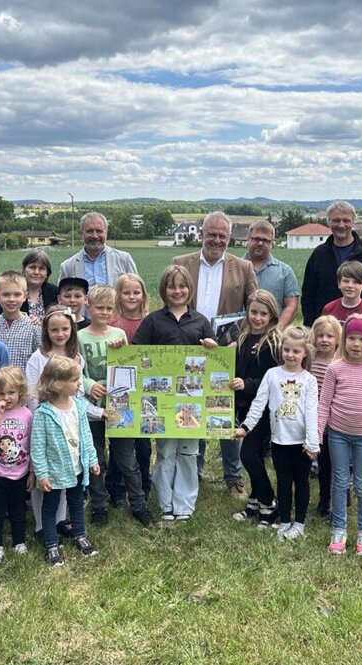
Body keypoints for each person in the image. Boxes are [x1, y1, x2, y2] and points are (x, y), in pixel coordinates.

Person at [172, 211, 257, 496]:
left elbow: (253, 308)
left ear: (229, 238)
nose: (216, 240)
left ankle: (233, 476)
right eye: (212, 234)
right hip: (190, 348)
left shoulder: (243, 267)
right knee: (193, 405)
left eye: (222, 236)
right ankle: (193, 471)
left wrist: (239, 341)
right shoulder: (180, 263)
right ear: (202, 235)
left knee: (226, 411)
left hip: (226, 351)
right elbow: (171, 299)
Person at [132, 265, 219, 521]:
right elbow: (137, 354)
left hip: (192, 401)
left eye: (182, 286)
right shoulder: (153, 320)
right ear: (164, 290)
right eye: (172, 286)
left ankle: (184, 504)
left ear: (189, 290)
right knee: (166, 451)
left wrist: (212, 347)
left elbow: (215, 361)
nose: (177, 291)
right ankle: (165, 502)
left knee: (189, 452)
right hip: (162, 402)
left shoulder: (200, 321)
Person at [234, 325, 319, 541]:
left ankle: (299, 523)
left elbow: (311, 413)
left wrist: (312, 443)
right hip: (279, 440)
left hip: (301, 444)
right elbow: (259, 403)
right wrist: (246, 427)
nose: (290, 355)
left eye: (296, 351)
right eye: (287, 350)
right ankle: (284, 521)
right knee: (283, 481)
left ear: (305, 353)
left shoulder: (309, 380)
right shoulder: (272, 375)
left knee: (301, 482)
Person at [79, 285, 153, 527]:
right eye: (99, 307)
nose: (104, 312)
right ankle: (99, 505)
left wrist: (123, 354)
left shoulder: (118, 334)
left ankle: (138, 504)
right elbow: (76, 370)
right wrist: (89, 385)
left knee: (127, 459)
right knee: (97, 458)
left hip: (119, 408)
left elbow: (127, 367)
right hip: (92, 409)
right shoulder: (79, 337)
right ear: (88, 308)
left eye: (109, 308)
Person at [317, 315, 362, 558]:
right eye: (351, 339)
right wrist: (317, 436)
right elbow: (324, 404)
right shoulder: (334, 368)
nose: (356, 344)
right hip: (337, 434)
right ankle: (339, 529)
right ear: (344, 340)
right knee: (339, 481)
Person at [25, 305, 97, 539]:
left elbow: (78, 394)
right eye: (54, 329)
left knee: (68, 470)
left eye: (65, 329)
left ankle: (60, 520)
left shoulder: (75, 358)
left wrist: (92, 412)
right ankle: (40, 525)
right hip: (45, 421)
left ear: (72, 329)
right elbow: (33, 392)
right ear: (46, 331)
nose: (60, 334)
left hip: (70, 421)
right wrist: (42, 418)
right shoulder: (38, 357)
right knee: (43, 473)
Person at [31, 356, 101, 566]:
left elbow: (86, 436)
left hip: (78, 468)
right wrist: (42, 474)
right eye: (74, 380)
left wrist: (92, 460)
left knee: (76, 503)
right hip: (54, 472)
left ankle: (79, 534)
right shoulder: (44, 413)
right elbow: (37, 447)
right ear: (57, 383)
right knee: (50, 507)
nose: (79, 383)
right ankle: (51, 544)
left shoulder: (79, 406)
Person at [230, 290, 282, 525]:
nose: (257, 318)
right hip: (244, 407)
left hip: (263, 409)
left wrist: (247, 384)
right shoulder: (243, 337)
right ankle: (254, 502)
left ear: (272, 315)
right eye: (253, 312)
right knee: (256, 456)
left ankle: (269, 504)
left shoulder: (273, 343)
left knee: (248, 455)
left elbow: (275, 379)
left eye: (263, 313)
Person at [301, 200, 362, 329]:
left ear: (353, 222)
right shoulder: (319, 254)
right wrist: (311, 325)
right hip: (326, 330)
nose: (341, 225)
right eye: (336, 220)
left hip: (360, 329)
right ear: (328, 222)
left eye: (346, 220)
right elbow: (309, 293)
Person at [106, 272, 153, 507]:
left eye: (136, 292)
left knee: (143, 445)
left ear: (143, 295)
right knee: (119, 442)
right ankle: (115, 487)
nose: (132, 296)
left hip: (145, 392)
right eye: (126, 292)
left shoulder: (151, 320)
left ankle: (145, 483)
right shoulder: (112, 323)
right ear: (119, 295)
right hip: (120, 392)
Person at [0, 367, 34, 563]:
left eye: (11, 392)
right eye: (2, 393)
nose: (7, 397)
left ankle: (19, 542)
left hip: (20, 474)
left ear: (20, 391)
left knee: (18, 510)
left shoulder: (27, 415)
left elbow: (30, 444)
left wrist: (31, 472)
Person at [309, 315, 343, 519]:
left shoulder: (340, 361)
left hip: (334, 422)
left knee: (334, 464)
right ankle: (324, 501)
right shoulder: (309, 360)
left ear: (338, 338)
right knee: (322, 465)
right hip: (313, 420)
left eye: (329, 336)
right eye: (320, 335)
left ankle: (338, 498)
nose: (324, 339)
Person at [242, 220, 299, 328]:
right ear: (248, 239)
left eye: (265, 240)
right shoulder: (234, 268)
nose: (260, 243)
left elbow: (292, 306)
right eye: (256, 239)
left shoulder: (285, 271)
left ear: (272, 243)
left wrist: (276, 332)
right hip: (239, 337)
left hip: (272, 337)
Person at [58, 212, 138, 287]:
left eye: (99, 231)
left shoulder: (124, 260)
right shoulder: (68, 266)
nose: (95, 236)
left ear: (106, 232)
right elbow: (62, 297)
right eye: (89, 231)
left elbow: (135, 291)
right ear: (82, 233)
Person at [0, 271, 39, 372]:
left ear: (25, 296)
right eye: (6, 294)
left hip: (24, 385)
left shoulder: (34, 326)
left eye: (17, 295)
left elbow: (39, 361)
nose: (11, 299)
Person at [322, 260, 362, 331]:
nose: (350, 285)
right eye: (346, 281)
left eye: (355, 282)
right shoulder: (328, 309)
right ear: (338, 283)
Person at [20, 250, 57, 325]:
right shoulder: (14, 292)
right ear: (24, 270)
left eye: (41, 268)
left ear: (47, 273)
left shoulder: (55, 292)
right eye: (32, 267)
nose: (36, 272)